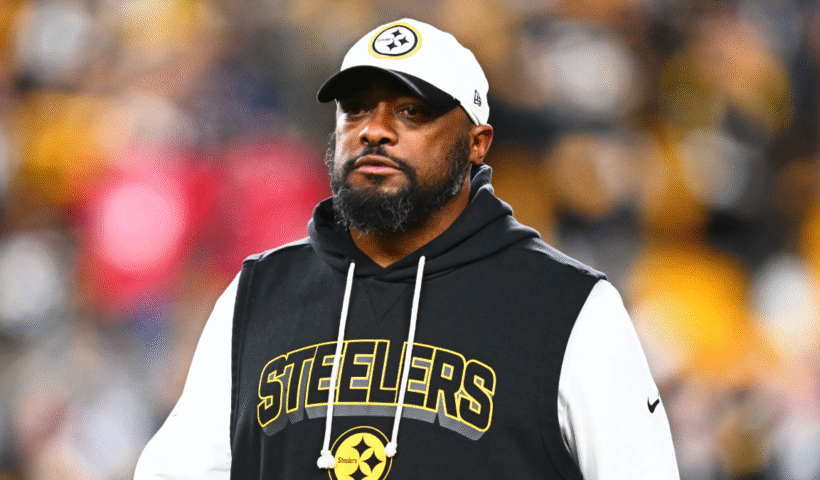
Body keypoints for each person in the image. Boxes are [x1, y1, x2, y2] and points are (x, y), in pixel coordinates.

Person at [134, 18, 680, 480]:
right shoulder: (257, 294)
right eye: (356, 109)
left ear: (476, 142)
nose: (375, 131)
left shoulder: (569, 307)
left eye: (411, 112)